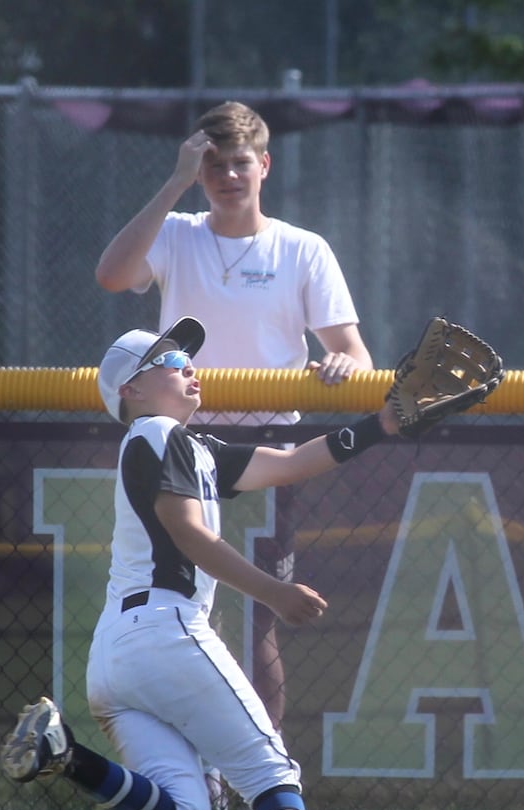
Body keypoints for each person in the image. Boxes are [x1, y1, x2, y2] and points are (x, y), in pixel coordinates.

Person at [0, 317, 398, 810]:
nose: (188, 365)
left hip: (117, 656)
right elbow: (188, 533)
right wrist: (274, 592)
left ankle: (65, 754)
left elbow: (291, 462)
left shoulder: (189, 446)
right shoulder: (158, 433)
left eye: (187, 356)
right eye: (168, 359)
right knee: (272, 773)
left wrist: (385, 424)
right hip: (167, 630)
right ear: (130, 391)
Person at [94, 100, 373, 761]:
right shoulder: (179, 231)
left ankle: (261, 762)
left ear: (264, 166)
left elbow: (356, 356)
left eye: (239, 163)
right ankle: (197, 767)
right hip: (181, 446)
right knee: (184, 611)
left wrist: (337, 363)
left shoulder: (301, 248)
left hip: (265, 447)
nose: (226, 176)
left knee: (256, 618)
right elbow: (111, 276)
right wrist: (173, 182)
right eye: (213, 166)